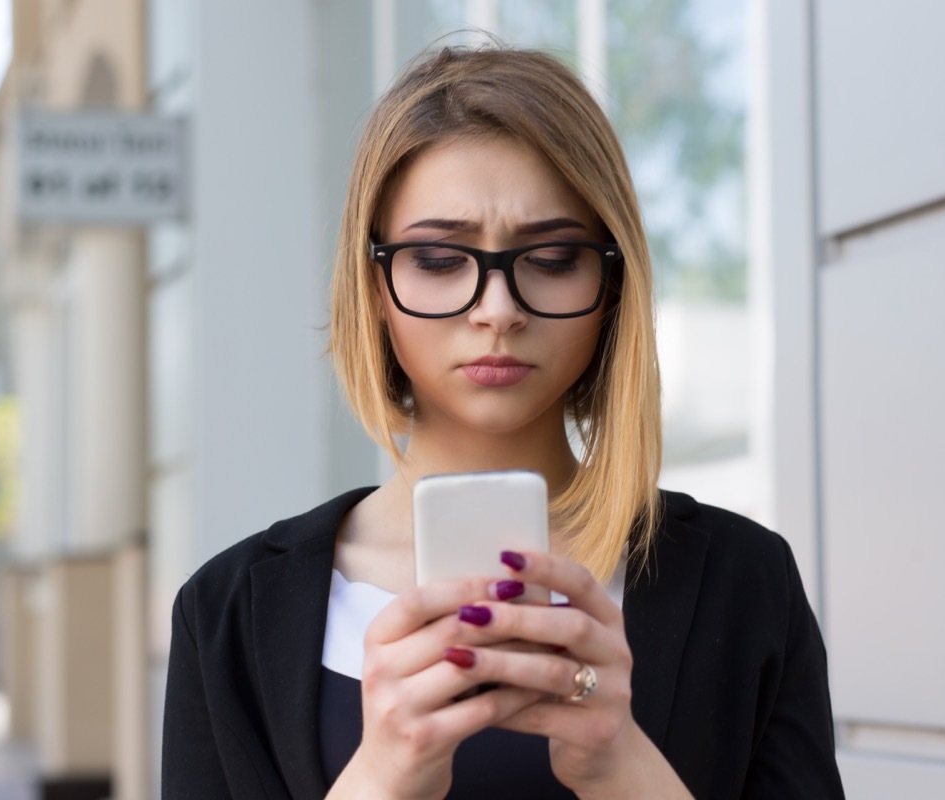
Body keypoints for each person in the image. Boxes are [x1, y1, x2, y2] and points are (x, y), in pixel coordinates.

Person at [162, 43, 844, 800]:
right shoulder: (228, 613)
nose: (497, 311)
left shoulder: (745, 584)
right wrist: (382, 776)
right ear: (374, 285)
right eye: (438, 259)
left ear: (613, 284)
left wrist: (622, 765)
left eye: (552, 258)